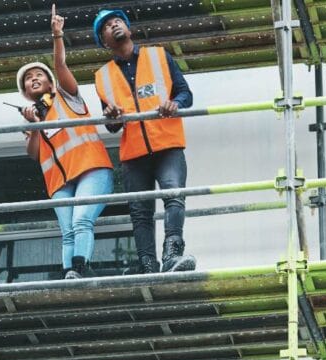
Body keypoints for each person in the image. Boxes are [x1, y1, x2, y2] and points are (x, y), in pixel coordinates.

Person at [92, 8, 196, 274]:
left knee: (174, 196)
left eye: (118, 21)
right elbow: (112, 126)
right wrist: (112, 116)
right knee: (140, 212)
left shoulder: (159, 56)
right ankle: (147, 264)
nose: (114, 25)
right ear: (104, 41)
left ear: (129, 30)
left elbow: (185, 94)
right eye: (107, 26)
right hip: (134, 152)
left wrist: (175, 103)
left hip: (167, 144)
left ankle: (172, 256)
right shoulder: (102, 76)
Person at [17, 4, 114, 280]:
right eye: (28, 79)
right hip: (60, 182)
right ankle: (68, 274)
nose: (33, 79)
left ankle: (81, 269)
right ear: (25, 92)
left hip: (91, 168)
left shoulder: (67, 96)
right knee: (67, 230)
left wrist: (57, 35)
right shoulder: (34, 117)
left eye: (38, 75)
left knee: (82, 220)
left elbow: (60, 65)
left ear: (50, 83)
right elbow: (34, 154)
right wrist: (35, 126)